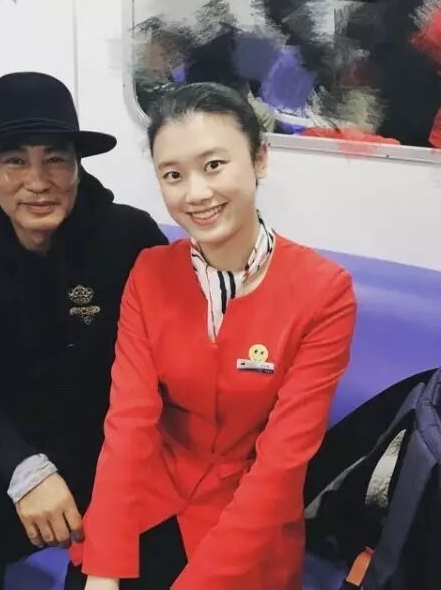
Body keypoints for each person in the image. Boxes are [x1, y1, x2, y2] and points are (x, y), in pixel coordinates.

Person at [66, 83, 358, 590]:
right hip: (153, 500)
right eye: (173, 175)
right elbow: (128, 425)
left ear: (259, 159)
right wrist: (104, 567)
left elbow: (280, 467)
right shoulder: (150, 273)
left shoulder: (323, 293)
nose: (196, 193)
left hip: (246, 519)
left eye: (214, 165)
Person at [0, 72, 167, 590]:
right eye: (14, 161)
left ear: (78, 167)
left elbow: (178, 359)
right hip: (17, 442)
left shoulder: (131, 238)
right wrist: (23, 469)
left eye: (55, 159)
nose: (38, 180)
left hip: (119, 447)